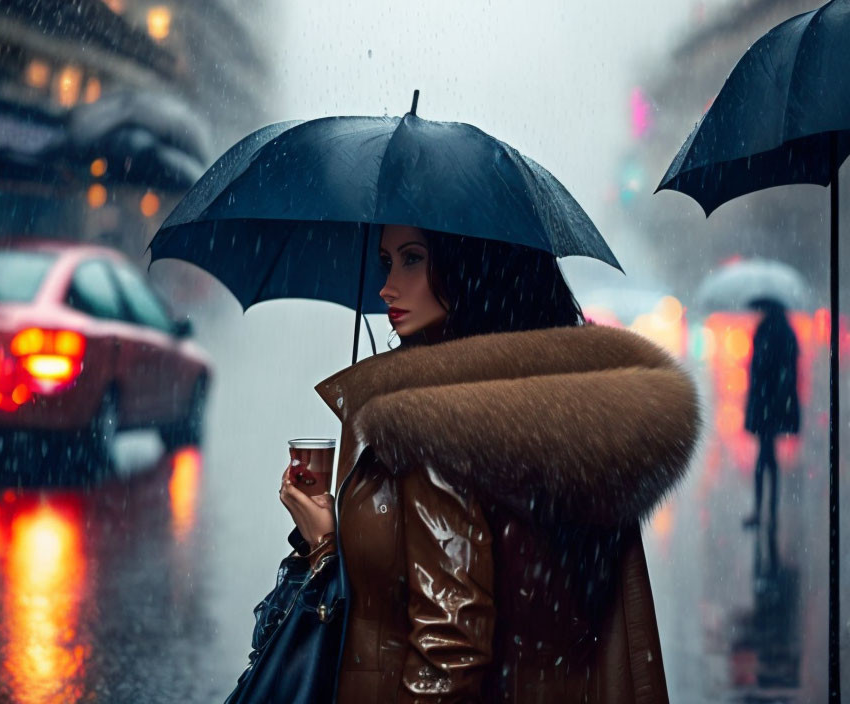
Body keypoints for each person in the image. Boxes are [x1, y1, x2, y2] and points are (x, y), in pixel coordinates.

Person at [278, 224, 701, 703]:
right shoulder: (562, 408)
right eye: (386, 262)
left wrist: (326, 550)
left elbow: (449, 649)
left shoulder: (433, 417)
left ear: (472, 265)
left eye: (412, 259)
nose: (386, 286)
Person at [742, 297, 800, 531]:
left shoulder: (770, 331)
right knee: (768, 455)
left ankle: (761, 510)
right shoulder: (784, 332)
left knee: (765, 456)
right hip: (772, 403)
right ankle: (768, 510)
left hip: (768, 402)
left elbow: (763, 367)